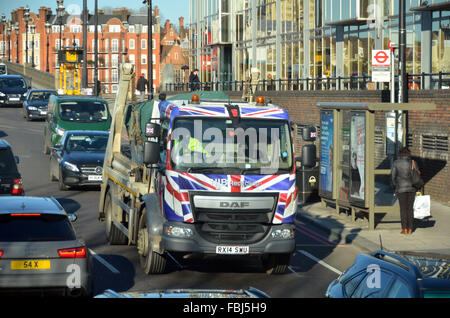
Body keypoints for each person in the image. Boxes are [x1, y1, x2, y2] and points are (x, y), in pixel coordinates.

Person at [391, 147, 419, 235]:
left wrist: (396, 186)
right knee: (410, 209)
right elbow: (417, 175)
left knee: (403, 209)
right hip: (412, 188)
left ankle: (404, 229)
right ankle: (410, 229)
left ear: (400, 154)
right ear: (409, 154)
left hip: (401, 189)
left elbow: (393, 177)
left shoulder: (396, 163)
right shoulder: (413, 162)